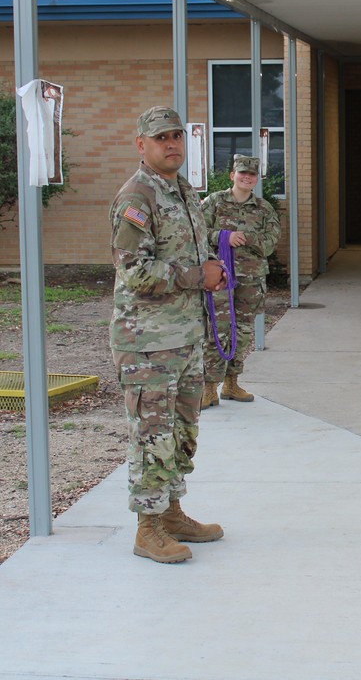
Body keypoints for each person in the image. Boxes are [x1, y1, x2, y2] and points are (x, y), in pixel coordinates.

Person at [109, 105, 227, 564]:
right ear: (142, 145)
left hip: (184, 337)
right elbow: (134, 270)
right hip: (147, 344)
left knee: (181, 431)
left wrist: (211, 273)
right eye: (161, 138)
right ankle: (147, 528)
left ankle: (172, 512)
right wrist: (199, 275)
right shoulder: (136, 198)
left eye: (177, 135)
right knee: (152, 435)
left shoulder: (182, 190)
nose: (171, 144)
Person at [201, 155, 281, 409]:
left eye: (252, 175)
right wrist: (223, 236)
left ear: (257, 179)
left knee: (242, 331)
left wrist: (246, 238)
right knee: (216, 329)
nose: (247, 178)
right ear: (232, 175)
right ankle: (209, 388)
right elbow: (198, 234)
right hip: (219, 277)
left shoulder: (264, 208)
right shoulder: (214, 202)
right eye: (242, 173)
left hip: (250, 279)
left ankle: (231, 383)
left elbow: (270, 243)